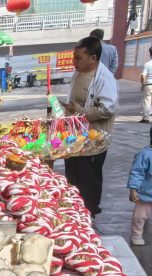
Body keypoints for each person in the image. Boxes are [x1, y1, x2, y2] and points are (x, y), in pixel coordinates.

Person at [63, 36, 118, 217]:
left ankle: (89, 213)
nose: (74, 61)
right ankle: (74, 209)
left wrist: (80, 111)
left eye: (79, 57)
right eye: (74, 56)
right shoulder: (78, 72)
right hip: (76, 136)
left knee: (89, 179)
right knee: (73, 176)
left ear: (93, 58)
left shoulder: (105, 78)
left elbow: (108, 108)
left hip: (94, 140)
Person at [126, 128, 152, 245]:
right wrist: (133, 189)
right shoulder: (145, 154)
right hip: (145, 194)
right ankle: (136, 234)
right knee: (140, 216)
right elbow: (137, 173)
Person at [140, 47, 152, 123]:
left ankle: (146, 118)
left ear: (150, 53)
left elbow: (143, 76)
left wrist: (143, 85)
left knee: (147, 101)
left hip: (148, 84)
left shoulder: (147, 64)